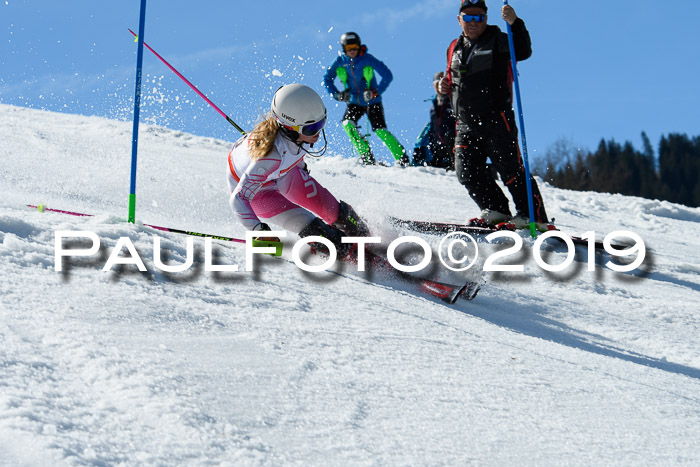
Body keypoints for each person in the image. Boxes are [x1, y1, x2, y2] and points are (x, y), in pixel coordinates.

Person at [438, 0, 553, 230]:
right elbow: (453, 80)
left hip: (496, 117)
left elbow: (523, 50)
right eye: (468, 17)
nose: (473, 22)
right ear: (459, 20)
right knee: (466, 170)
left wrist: (515, 22)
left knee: (510, 169)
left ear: (486, 18)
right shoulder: (453, 47)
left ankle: (534, 216)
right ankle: (496, 209)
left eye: (479, 17)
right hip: (465, 121)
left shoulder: (499, 39)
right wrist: (444, 86)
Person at [227, 83, 370, 259]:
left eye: (321, 123)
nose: (317, 133)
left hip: (284, 173)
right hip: (259, 194)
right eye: (311, 128)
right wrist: (258, 231)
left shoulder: (298, 135)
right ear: (289, 127)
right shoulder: (271, 157)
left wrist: (301, 168)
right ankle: (353, 256)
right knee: (317, 231)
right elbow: (238, 199)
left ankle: (367, 235)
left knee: (336, 212)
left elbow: (294, 154)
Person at [323, 32, 409, 167]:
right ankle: (366, 155)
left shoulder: (367, 59)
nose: (352, 50)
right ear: (343, 48)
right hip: (353, 101)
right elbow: (327, 79)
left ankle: (402, 157)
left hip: (372, 101)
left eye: (355, 46)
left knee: (380, 130)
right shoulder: (340, 62)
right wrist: (336, 94)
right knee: (347, 123)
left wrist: (376, 92)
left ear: (359, 46)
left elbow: (387, 75)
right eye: (348, 47)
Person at [412, 71, 456, 170]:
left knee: (449, 136)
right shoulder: (433, 105)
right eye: (437, 83)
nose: (440, 87)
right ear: (434, 85)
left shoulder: (453, 101)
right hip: (438, 149)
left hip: (454, 146)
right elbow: (431, 129)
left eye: (443, 83)